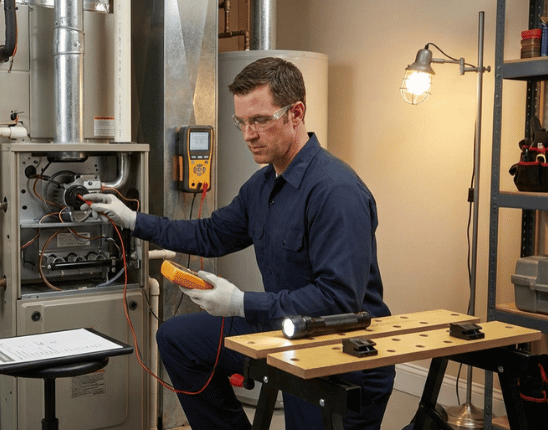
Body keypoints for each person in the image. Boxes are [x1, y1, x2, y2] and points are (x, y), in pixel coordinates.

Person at [83, 57, 394, 430]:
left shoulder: (336, 191)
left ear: (296, 114)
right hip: (285, 331)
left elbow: (338, 300)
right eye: (241, 122)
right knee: (179, 339)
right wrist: (133, 220)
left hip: (341, 351)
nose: (248, 134)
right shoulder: (263, 187)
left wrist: (241, 303)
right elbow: (210, 234)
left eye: (260, 120)